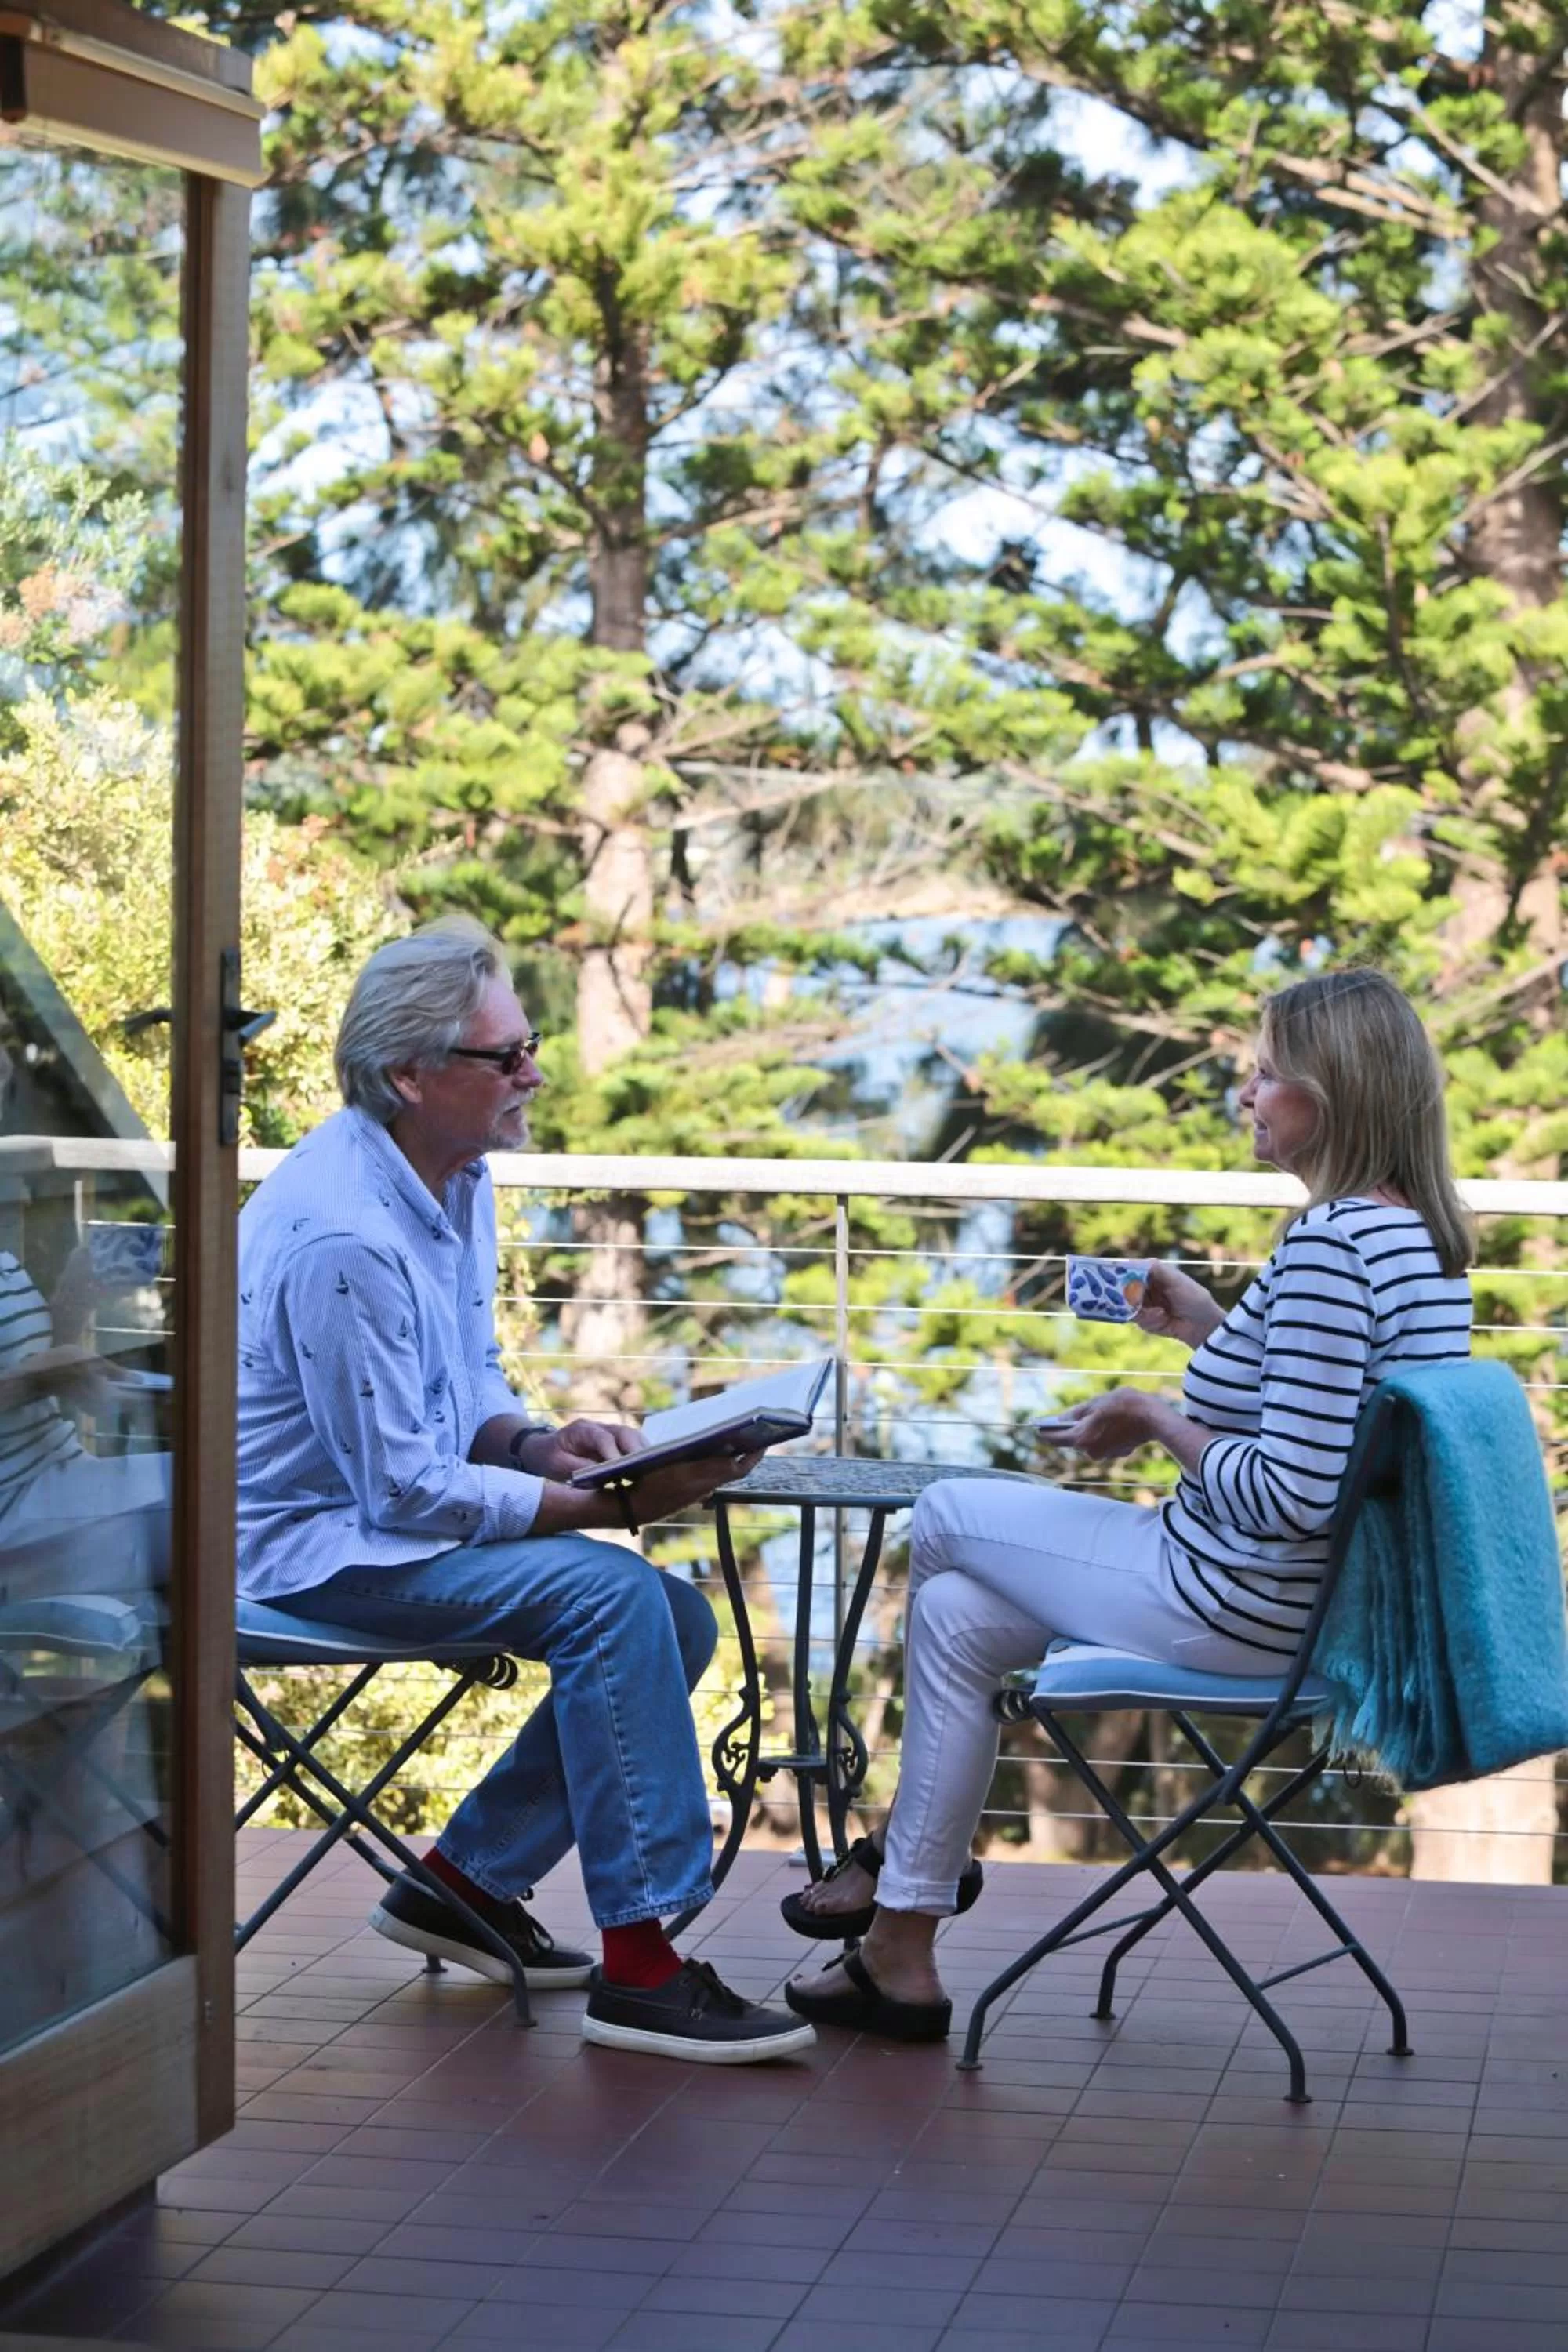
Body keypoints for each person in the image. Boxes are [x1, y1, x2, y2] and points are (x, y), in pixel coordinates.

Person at [783, 968, 1474, 2041]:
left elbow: (1291, 1493)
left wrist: (1154, 1418)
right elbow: (1315, 1409)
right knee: (957, 1620)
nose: (1248, 1093)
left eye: (1267, 1073)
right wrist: (1206, 1326)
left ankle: (916, 1860)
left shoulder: (1336, 1249)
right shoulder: (1411, 1241)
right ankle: (902, 1948)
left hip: (1229, 1601)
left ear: (1333, 1094)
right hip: (1293, 1605)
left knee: (948, 1518)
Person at [237, 917, 814, 2064]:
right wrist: (609, 1510)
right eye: (506, 1057)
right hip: (309, 1553)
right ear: (411, 1074)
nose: (534, 1074)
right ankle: (642, 1969)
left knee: (675, 1612)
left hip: (376, 1524)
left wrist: (546, 1445)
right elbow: (400, 1487)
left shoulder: (452, 1176)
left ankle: (461, 1885)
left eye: (530, 1043)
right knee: (610, 1594)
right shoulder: (343, 1238)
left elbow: (461, 1385)